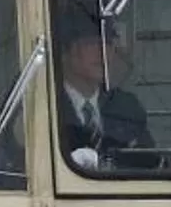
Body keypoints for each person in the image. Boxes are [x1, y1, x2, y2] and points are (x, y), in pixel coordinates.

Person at [57, 10, 157, 172]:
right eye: (92, 43)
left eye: (108, 43)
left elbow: (148, 163)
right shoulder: (46, 105)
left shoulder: (127, 106)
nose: (103, 52)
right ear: (65, 52)